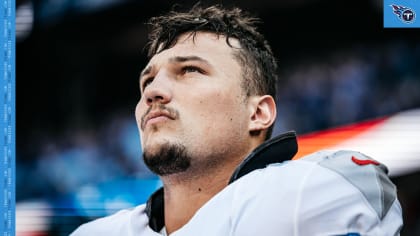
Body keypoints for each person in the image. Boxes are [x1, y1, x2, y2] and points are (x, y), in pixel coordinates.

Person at [71, 4, 403, 236]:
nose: (153, 92)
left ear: (258, 113)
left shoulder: (317, 186)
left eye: (190, 71)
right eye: (147, 81)